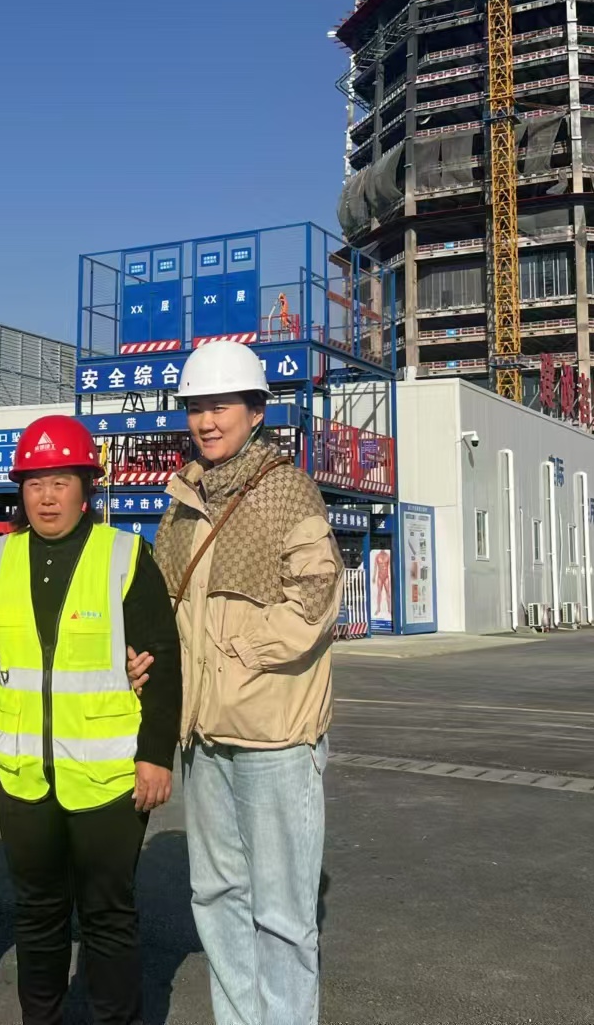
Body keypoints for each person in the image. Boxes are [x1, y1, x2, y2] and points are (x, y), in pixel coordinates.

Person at [139, 340, 342, 1025]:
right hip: (202, 733)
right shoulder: (181, 501)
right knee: (216, 894)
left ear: (256, 411)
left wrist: (238, 651)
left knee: (282, 911)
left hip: (273, 734)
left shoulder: (287, 489)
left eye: (221, 405)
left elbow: (317, 598)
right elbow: (165, 606)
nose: (206, 420)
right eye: (196, 407)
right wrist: (150, 659)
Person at [0, 416, 181, 1025]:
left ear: (87, 487)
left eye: (61, 482)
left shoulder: (124, 556)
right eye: (35, 483)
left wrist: (155, 755)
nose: (47, 497)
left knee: (108, 915)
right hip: (21, 774)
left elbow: (162, 659)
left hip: (108, 777)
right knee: (37, 913)